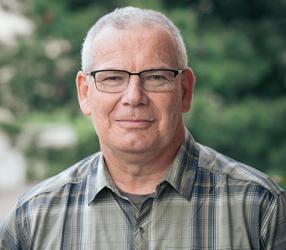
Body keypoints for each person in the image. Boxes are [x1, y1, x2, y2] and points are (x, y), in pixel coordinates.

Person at [1, 6, 285, 250]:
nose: (134, 97)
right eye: (112, 78)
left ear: (185, 91)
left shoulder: (260, 208)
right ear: (85, 93)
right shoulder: (33, 219)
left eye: (156, 77)